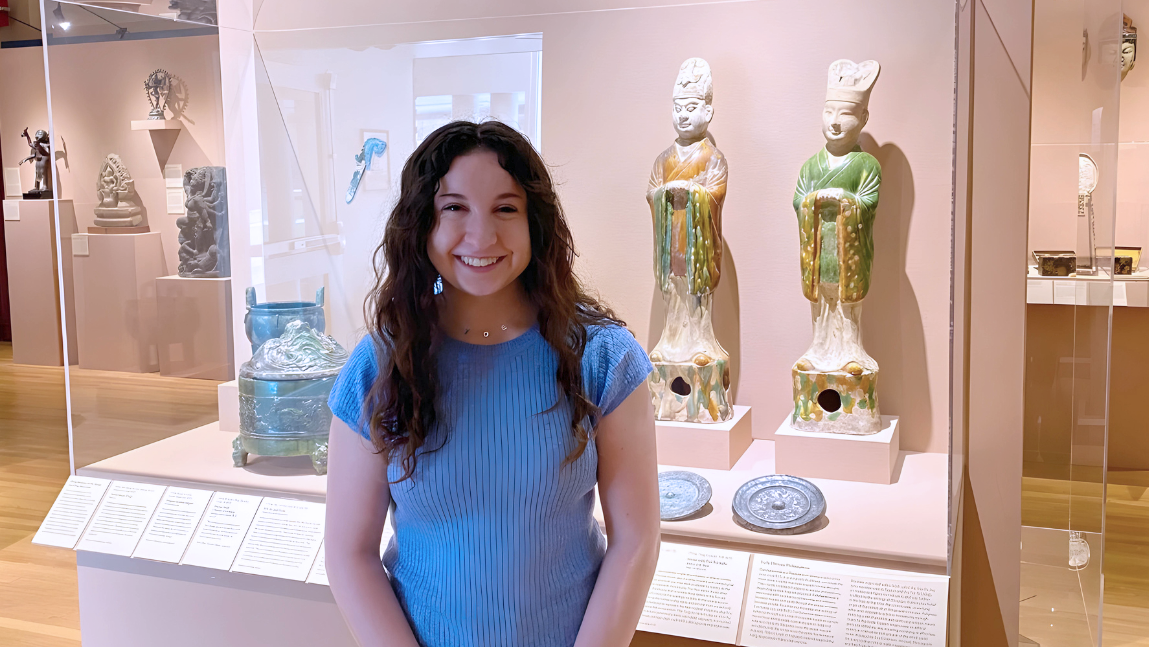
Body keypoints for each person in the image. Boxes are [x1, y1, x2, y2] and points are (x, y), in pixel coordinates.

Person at [324, 120, 661, 647]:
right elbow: (350, 554)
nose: (481, 237)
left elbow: (636, 539)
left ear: (537, 224)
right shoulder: (380, 367)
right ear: (421, 225)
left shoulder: (602, 359)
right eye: (454, 208)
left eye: (506, 209)